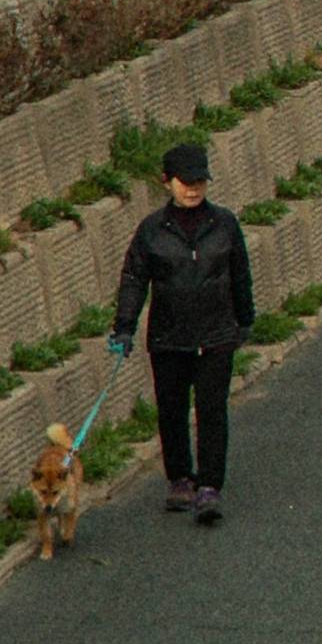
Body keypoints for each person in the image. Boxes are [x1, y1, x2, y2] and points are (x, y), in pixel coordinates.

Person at [109, 135, 255, 525]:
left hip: (216, 333)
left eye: (199, 182)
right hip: (169, 336)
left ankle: (210, 487)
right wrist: (124, 327)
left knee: (211, 410)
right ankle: (179, 479)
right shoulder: (151, 231)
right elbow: (134, 279)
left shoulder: (224, 224)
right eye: (184, 181)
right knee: (171, 410)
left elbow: (240, 273)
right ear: (166, 182)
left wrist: (245, 320)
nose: (192, 189)